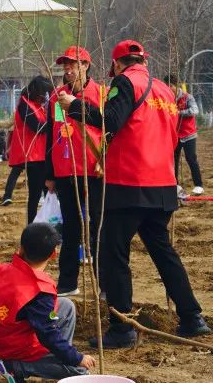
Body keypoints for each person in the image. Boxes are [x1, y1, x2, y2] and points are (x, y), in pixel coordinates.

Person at [61, 39, 210, 347]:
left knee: (113, 254)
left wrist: (74, 107)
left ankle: (121, 327)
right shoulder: (164, 90)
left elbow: (110, 120)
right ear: (144, 59)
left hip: (130, 184)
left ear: (117, 64)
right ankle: (192, 317)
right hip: (162, 186)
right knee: (163, 252)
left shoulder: (124, 84)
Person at [0, 223, 96, 381]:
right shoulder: (39, 292)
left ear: (21, 248)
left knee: (66, 306)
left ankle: (59, 357)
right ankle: (16, 368)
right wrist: (76, 358)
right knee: (78, 371)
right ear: (54, 254)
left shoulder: (2, 269)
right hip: (15, 347)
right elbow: (47, 333)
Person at [44, 46, 104, 296]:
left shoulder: (102, 94)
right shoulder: (57, 96)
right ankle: (68, 282)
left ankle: (105, 284)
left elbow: (110, 127)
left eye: (73, 64)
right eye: (65, 65)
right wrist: (49, 173)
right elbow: (51, 132)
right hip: (66, 171)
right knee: (70, 228)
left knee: (100, 227)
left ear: (86, 65)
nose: (68, 69)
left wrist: (105, 159)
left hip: (94, 170)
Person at [0, 76, 53, 224]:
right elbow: (37, 126)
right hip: (32, 156)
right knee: (35, 194)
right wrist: (54, 121)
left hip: (42, 154)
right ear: (37, 92)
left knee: (48, 192)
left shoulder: (38, 105)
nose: (45, 98)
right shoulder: (25, 104)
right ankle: (32, 225)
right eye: (44, 94)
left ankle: (47, 223)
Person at [166, 74, 203, 196]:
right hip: (175, 135)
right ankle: (174, 184)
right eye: (167, 85)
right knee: (173, 160)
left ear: (176, 85)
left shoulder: (188, 97)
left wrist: (179, 113)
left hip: (189, 135)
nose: (169, 88)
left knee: (191, 159)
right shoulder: (167, 98)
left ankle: (198, 185)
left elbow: (194, 110)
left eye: (171, 85)